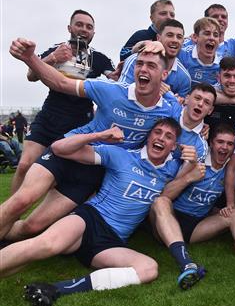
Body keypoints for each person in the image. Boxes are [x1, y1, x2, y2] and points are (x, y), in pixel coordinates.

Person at [3, 39, 181, 241]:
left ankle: (6, 242)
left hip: (94, 168)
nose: (143, 69)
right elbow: (62, 83)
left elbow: (188, 124)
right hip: (69, 149)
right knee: (21, 200)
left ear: (164, 75)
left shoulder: (169, 110)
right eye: (139, 64)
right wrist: (30, 58)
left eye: (151, 65)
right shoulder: (112, 91)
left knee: (33, 226)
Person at [0, 119, 185, 306]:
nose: (161, 138)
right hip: (89, 219)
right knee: (46, 245)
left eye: (169, 136)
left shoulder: (172, 169)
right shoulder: (121, 155)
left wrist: (191, 159)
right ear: (148, 136)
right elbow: (59, 148)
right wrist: (100, 135)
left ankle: (54, 289)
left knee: (148, 269)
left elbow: (194, 165)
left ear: (173, 146)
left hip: (111, 241)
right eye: (157, 132)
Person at [150, 124, 235, 291]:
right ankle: (187, 264)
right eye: (220, 142)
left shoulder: (230, 172)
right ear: (211, 144)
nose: (224, 147)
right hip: (168, 221)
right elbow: (165, 194)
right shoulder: (195, 160)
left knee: (234, 212)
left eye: (230, 144)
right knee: (160, 202)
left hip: (195, 227)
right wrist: (189, 178)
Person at [13, 10, 115, 193]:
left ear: (93, 33)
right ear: (70, 28)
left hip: (79, 122)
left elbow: (114, 78)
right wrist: (53, 58)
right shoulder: (56, 49)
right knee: (24, 165)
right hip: (50, 115)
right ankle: (10, 217)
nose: (84, 29)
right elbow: (31, 75)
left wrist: (122, 69)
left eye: (89, 27)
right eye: (79, 25)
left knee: (62, 175)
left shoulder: (99, 58)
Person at [119, 19, 191, 98]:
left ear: (183, 41)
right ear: (158, 38)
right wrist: (153, 88)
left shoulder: (184, 78)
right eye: (170, 35)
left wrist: (170, 97)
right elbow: (120, 93)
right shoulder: (135, 60)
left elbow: (179, 108)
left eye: (179, 37)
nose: (175, 40)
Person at [205, 57, 235, 128]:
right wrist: (234, 100)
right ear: (218, 78)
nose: (232, 81)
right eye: (227, 76)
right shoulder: (206, 95)